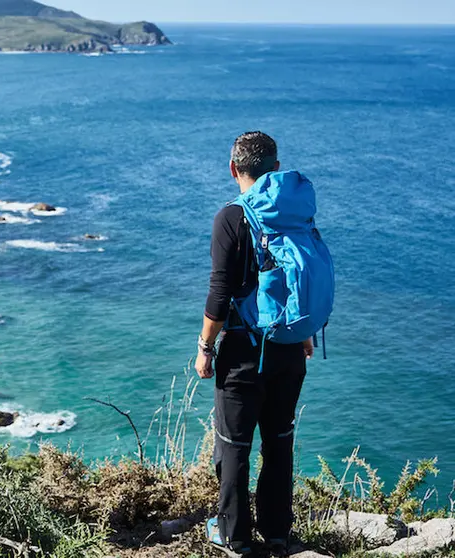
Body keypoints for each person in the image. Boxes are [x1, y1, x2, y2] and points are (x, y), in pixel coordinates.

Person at [196, 132, 315, 557]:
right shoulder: (296, 212)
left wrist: (205, 348)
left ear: (233, 169)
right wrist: (301, 332)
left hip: (244, 352)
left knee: (233, 447)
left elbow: (219, 292)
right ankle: (278, 535)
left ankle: (235, 539)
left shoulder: (231, 217)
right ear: (276, 168)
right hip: (288, 345)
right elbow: (298, 278)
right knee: (279, 441)